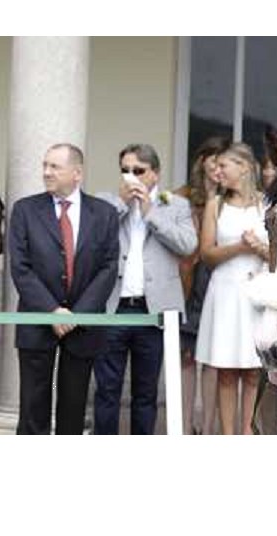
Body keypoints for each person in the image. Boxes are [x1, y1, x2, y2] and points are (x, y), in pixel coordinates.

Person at [9, 143, 119, 434]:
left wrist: (75, 315)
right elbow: (20, 268)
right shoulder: (25, 210)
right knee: (33, 409)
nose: (46, 172)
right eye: (45, 165)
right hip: (36, 319)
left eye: (54, 167)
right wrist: (52, 311)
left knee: (73, 409)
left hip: (82, 326)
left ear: (77, 173)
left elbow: (108, 268)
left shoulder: (105, 213)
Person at [93, 143, 197, 435]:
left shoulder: (175, 205)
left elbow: (188, 245)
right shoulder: (107, 203)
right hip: (114, 306)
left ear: (155, 174)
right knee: (107, 389)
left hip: (155, 311)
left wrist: (151, 212)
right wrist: (123, 205)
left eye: (138, 170)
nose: (131, 177)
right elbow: (93, 238)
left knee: (146, 391)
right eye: (125, 170)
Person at [196, 142, 268, 435]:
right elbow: (206, 254)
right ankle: (228, 435)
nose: (217, 171)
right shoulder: (216, 205)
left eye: (224, 166)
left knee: (253, 371)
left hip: (256, 293)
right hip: (225, 292)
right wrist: (239, 247)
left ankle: (248, 432)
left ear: (244, 167)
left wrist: (260, 248)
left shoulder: (267, 204)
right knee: (225, 371)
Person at [176, 136, 228, 434]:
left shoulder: (234, 198)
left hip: (218, 279)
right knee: (186, 358)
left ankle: (207, 428)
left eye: (225, 163)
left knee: (212, 359)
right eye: (214, 161)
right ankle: (183, 427)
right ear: (202, 161)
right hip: (188, 280)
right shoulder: (181, 196)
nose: (219, 168)